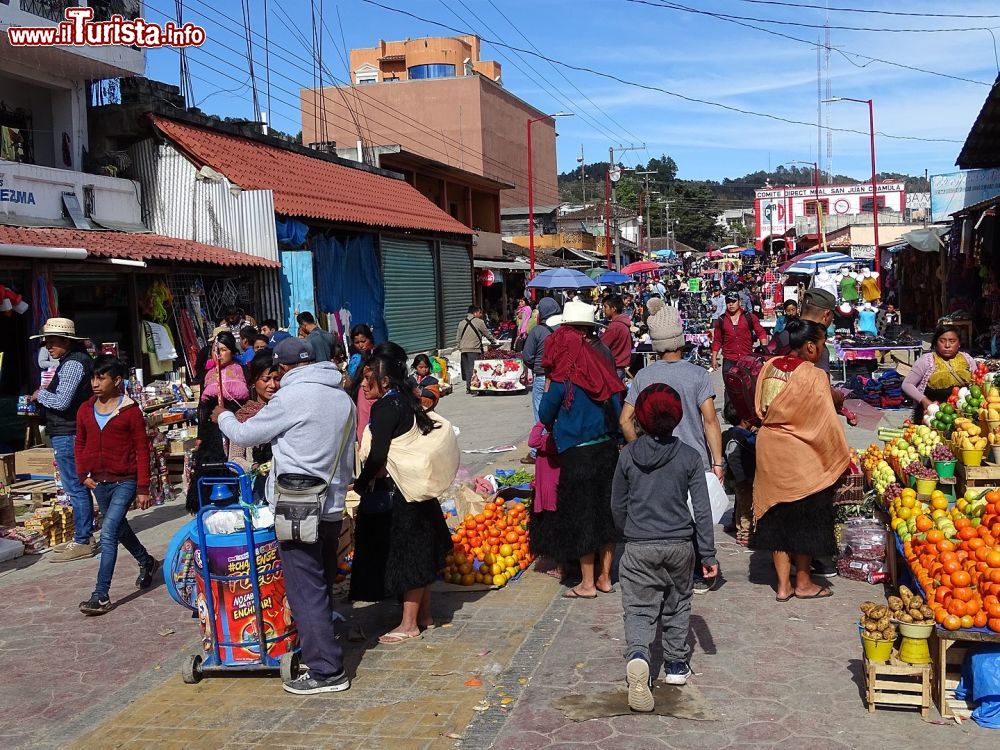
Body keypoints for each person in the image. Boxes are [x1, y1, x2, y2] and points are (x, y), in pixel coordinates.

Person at [215, 337, 356, 695]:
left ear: (285, 368)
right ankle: (323, 645)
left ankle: (326, 670)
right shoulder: (341, 397)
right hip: (332, 503)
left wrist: (223, 417)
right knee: (320, 580)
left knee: (305, 588)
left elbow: (247, 433)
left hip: (297, 505)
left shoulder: (291, 397)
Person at [612, 383, 718, 709]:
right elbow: (702, 509)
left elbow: (618, 503)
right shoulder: (688, 456)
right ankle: (674, 665)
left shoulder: (628, 456)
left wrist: (627, 532)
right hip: (680, 545)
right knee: (677, 603)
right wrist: (708, 553)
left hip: (639, 544)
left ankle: (640, 655)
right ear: (677, 417)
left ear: (640, 418)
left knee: (639, 607)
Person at [620, 305, 725, 594]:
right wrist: (718, 463)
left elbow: (624, 420)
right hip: (692, 458)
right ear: (681, 341)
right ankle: (697, 571)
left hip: (653, 458)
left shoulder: (643, 377)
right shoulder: (697, 375)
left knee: (664, 514)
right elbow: (710, 420)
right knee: (696, 516)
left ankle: (660, 571)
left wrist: (637, 448)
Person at [352, 347, 453, 643]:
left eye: (368, 377)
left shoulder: (385, 407)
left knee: (408, 557)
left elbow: (377, 455)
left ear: (384, 380)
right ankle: (424, 616)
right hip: (417, 488)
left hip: (400, 493)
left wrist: (360, 484)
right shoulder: (407, 399)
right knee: (421, 552)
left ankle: (408, 625)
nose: (363, 383)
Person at [753, 319, 849, 602]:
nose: (821, 351)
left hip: (769, 447)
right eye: (820, 346)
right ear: (809, 346)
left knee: (777, 516)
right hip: (800, 454)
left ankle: (783, 586)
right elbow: (824, 421)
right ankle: (804, 582)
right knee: (806, 516)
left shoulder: (769, 367)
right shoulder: (813, 375)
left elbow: (761, 406)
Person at [538, 300, 624, 600]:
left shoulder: (565, 374)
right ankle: (605, 577)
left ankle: (587, 583)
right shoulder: (602, 364)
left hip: (578, 453)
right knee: (606, 512)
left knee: (583, 515)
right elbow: (617, 406)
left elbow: (545, 414)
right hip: (607, 450)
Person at [75, 355, 157, 615]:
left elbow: (142, 450)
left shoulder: (130, 411)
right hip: (99, 481)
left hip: (125, 481)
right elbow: (79, 443)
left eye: (102, 378)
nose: (95, 383)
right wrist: (82, 474)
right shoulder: (85, 409)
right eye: (93, 378)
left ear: (117, 381)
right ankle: (146, 561)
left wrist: (143, 488)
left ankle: (101, 595)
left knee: (108, 532)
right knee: (119, 528)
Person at [29, 318, 96, 562]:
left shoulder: (72, 365)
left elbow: (61, 401)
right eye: (47, 342)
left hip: (68, 432)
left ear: (67, 341)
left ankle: (83, 540)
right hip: (70, 430)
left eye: (53, 342)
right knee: (77, 487)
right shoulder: (74, 362)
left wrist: (40, 395)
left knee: (75, 487)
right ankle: (84, 535)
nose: (48, 347)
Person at [186, 332, 248, 513]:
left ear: (232, 351)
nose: (219, 354)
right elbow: (202, 407)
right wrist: (200, 434)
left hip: (236, 424)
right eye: (216, 350)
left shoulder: (241, 370)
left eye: (223, 350)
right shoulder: (208, 374)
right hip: (212, 428)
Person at [228, 351, 280, 501]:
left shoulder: (286, 411)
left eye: (276, 379)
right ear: (253, 382)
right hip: (258, 488)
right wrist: (254, 467)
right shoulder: (244, 416)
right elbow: (235, 458)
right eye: (266, 379)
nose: (272, 385)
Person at [902, 324, 977, 422]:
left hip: (962, 415)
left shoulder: (967, 359)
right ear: (936, 343)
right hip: (931, 415)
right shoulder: (927, 360)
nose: (947, 345)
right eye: (942, 341)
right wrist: (925, 401)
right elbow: (907, 384)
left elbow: (977, 383)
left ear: (959, 344)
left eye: (952, 341)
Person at [520, 296, 561, 465]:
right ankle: (557, 446)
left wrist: (535, 367)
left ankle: (538, 451)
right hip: (561, 377)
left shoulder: (537, 331)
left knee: (541, 415)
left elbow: (527, 356)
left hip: (542, 376)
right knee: (559, 413)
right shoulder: (563, 329)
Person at [710, 292, 767, 404]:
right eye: (728, 302)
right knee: (729, 387)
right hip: (729, 359)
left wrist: (764, 350)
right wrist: (714, 357)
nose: (731, 304)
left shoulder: (749, 317)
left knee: (748, 385)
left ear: (739, 302)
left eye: (733, 301)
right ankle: (729, 412)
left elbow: (761, 333)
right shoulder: (721, 320)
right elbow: (717, 340)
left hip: (746, 359)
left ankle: (748, 412)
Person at [526, 420, 561, 576]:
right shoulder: (563, 439)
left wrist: (541, 421)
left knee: (555, 528)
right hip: (554, 488)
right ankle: (561, 564)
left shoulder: (548, 440)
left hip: (549, 491)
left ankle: (561, 567)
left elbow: (532, 440)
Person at [722, 401, 756, 547]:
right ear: (745, 419)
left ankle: (739, 530)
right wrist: (742, 478)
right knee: (746, 508)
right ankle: (745, 535)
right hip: (742, 479)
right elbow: (733, 458)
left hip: (735, 479)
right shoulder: (738, 437)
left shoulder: (730, 434)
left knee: (740, 506)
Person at [455, 305, 498, 395]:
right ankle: (473, 388)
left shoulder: (461, 323)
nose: (480, 314)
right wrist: (493, 341)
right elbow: (487, 333)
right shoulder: (479, 322)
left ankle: (468, 388)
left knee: (467, 369)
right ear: (475, 313)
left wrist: (460, 347)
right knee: (473, 369)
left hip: (463, 349)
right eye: (479, 312)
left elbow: (458, 338)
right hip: (474, 349)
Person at [601, 294, 634, 382]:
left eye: (605, 307)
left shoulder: (615, 326)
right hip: (620, 367)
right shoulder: (623, 324)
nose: (603, 310)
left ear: (614, 308)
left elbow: (601, 346)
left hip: (614, 367)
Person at [345, 323, 375, 392]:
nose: (361, 345)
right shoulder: (356, 359)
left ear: (369, 339)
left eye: (363, 341)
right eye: (357, 342)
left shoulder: (377, 353)